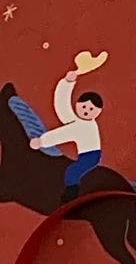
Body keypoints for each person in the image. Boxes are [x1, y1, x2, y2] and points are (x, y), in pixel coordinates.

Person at [30, 67, 104, 202]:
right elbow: (62, 107)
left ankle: (70, 197)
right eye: (84, 107)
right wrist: (67, 83)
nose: (86, 111)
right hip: (86, 154)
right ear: (78, 105)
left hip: (91, 155)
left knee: (72, 172)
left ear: (97, 112)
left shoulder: (83, 126)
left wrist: (42, 142)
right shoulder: (80, 122)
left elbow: (62, 134)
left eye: (91, 109)